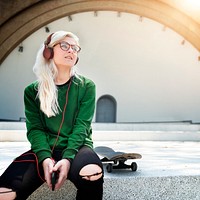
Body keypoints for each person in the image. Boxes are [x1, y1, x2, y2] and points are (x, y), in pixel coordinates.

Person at [0, 31, 104, 200]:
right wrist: (45, 159)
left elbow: (82, 126)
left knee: (92, 173)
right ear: (48, 51)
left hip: (78, 149)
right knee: (4, 193)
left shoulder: (86, 86)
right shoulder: (32, 91)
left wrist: (68, 158)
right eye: (64, 45)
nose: (71, 50)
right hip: (44, 150)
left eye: (75, 48)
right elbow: (35, 129)